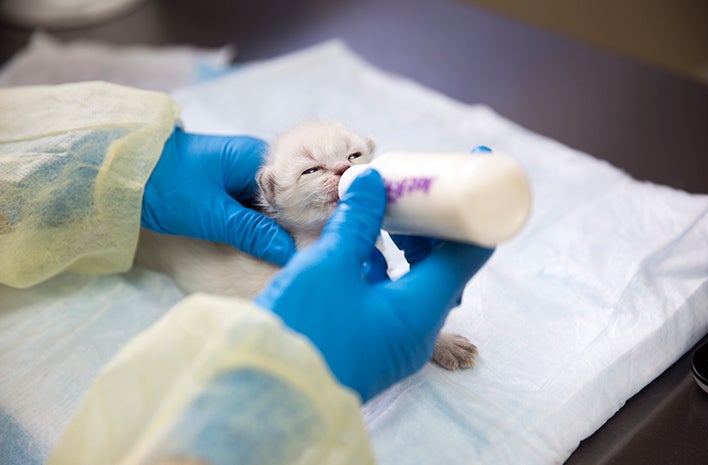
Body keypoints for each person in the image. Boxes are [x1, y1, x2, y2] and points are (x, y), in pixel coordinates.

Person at [1, 82, 493, 464]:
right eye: (310, 171)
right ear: (270, 193)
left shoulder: (369, 227)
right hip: (136, 242)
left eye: (355, 156)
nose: (341, 172)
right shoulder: (285, 258)